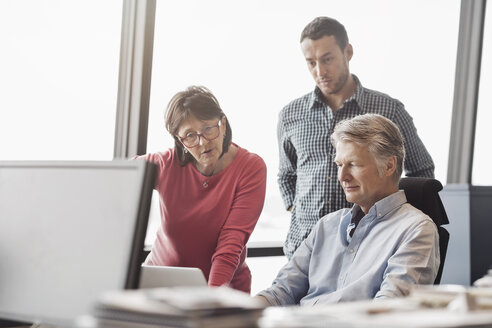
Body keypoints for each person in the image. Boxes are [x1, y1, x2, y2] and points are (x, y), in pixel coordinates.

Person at [278, 16, 435, 259]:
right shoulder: (290, 115)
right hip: (304, 250)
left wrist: (392, 223)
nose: (320, 71)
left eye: (327, 59)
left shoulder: (388, 109)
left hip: (367, 251)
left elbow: (422, 170)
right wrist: (297, 210)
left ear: (348, 52)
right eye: (311, 63)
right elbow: (287, 176)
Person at [258, 114, 440, 305]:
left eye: (353, 164)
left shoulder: (416, 230)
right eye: (339, 165)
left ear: (388, 165)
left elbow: (388, 311)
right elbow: (280, 292)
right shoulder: (326, 226)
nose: (342, 176)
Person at [135, 86, 267, 294]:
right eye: (190, 135)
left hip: (224, 291)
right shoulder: (165, 164)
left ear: (222, 124)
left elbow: (230, 244)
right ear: (181, 141)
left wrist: (210, 299)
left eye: (208, 129)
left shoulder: (250, 167)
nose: (203, 142)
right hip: (161, 286)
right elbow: (117, 178)